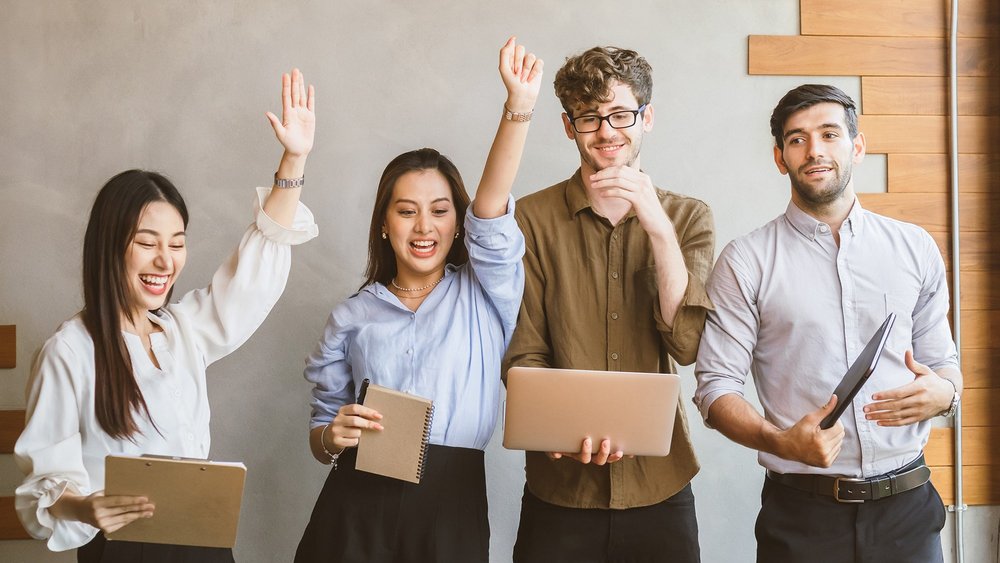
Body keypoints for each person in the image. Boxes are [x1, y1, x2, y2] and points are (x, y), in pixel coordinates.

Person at [14, 68, 318, 562]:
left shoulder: (182, 330)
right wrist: (87, 507)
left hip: (203, 544)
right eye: (146, 243)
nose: (165, 262)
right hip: (124, 552)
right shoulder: (71, 350)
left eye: (177, 244)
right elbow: (43, 484)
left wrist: (294, 158)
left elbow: (251, 277)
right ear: (110, 247)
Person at [295, 37, 540, 563]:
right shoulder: (352, 316)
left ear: (459, 222)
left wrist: (517, 108)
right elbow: (322, 431)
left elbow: (492, 210)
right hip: (355, 505)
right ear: (385, 225)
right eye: (406, 211)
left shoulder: (485, 294)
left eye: (440, 210)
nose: (424, 226)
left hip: (451, 504)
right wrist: (332, 438)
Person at [694, 84, 961, 563]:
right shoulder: (745, 261)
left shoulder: (915, 248)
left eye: (829, 134)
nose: (814, 150)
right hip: (802, 517)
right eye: (797, 139)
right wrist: (779, 441)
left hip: (909, 511)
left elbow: (944, 365)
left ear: (856, 147)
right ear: (780, 158)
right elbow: (715, 390)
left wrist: (946, 395)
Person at [503, 45, 714, 563]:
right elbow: (525, 351)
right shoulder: (530, 219)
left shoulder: (688, 217)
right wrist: (556, 426)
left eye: (621, 114)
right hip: (560, 489)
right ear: (568, 125)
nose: (606, 131)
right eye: (589, 118)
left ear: (647, 117)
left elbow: (686, 344)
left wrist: (655, 224)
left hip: (659, 485)